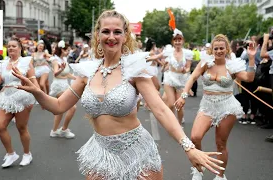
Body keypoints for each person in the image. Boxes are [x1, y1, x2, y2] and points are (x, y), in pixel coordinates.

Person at [12, 10, 223, 179]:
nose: (111, 37)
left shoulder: (134, 70)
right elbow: (58, 105)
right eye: (106, 31)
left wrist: (188, 147)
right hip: (101, 153)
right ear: (98, 35)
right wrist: (38, 93)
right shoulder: (88, 72)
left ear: (125, 36)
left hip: (137, 152)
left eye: (117, 32)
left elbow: (160, 109)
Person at [175, 34, 256, 180]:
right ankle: (198, 169)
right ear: (212, 49)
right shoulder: (206, 63)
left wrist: (251, 58)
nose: (219, 51)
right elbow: (192, 77)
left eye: (221, 48)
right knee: (195, 137)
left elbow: (249, 78)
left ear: (226, 49)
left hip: (227, 107)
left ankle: (220, 175)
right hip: (207, 105)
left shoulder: (232, 65)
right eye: (216, 48)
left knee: (220, 144)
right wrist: (183, 95)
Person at [0, 37, 39, 168]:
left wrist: (41, 97)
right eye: (9, 46)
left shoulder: (26, 63)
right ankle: (11, 154)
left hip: (22, 96)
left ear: (20, 48)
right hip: (7, 98)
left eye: (13, 46)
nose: (10, 48)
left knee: (21, 128)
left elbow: (34, 82)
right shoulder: (3, 64)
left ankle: (27, 154)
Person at [147, 29, 193, 125]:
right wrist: (142, 59)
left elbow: (188, 67)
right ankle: (173, 123)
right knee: (171, 104)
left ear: (183, 41)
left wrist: (185, 70)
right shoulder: (168, 51)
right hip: (170, 78)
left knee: (179, 106)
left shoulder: (188, 53)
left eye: (179, 40)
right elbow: (156, 57)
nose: (177, 42)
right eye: (175, 40)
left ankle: (179, 123)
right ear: (173, 42)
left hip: (181, 80)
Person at [49, 40, 76, 138]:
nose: (69, 52)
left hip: (65, 85)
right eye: (67, 50)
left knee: (60, 109)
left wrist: (78, 78)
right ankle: (64, 129)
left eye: (69, 50)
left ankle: (54, 130)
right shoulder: (55, 60)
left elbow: (67, 73)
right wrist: (61, 69)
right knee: (72, 107)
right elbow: (55, 73)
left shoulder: (64, 59)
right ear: (62, 49)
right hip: (58, 86)